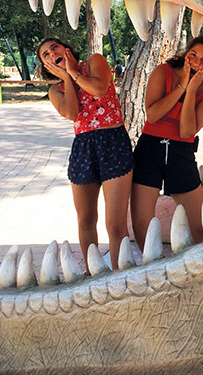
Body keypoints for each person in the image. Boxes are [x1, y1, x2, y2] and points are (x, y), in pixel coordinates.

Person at [37, 37, 133, 270]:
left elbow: (99, 90)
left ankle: (121, 276)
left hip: (113, 142)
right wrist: (67, 79)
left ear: (66, 49)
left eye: (54, 48)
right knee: (86, 220)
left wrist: (73, 72)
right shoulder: (55, 90)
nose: (52, 54)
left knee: (115, 224)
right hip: (83, 147)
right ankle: (93, 274)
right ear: (44, 65)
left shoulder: (94, 62)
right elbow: (71, 112)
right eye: (45, 55)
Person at [131, 34, 203, 251]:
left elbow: (186, 130)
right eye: (193, 55)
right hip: (149, 149)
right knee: (143, 226)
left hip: (182, 152)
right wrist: (181, 86)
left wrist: (190, 91)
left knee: (199, 228)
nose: (196, 62)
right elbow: (152, 115)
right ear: (186, 54)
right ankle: (149, 270)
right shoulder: (164, 72)